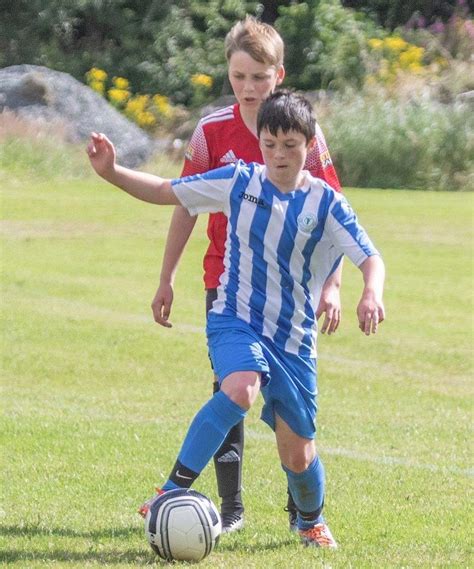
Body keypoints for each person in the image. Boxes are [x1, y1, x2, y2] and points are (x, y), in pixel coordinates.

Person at [86, 89, 386, 549]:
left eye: (290, 145)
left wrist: (370, 291)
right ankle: (171, 490)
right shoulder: (238, 182)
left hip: (293, 340)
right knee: (241, 386)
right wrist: (111, 173)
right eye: (270, 143)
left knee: (298, 453)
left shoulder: (327, 204)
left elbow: (370, 258)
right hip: (235, 319)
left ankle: (310, 521)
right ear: (259, 141)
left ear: (309, 144)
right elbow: (168, 191)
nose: (279, 155)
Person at [150, 16, 343, 533]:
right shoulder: (212, 131)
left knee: (291, 422)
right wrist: (166, 276)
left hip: (293, 292)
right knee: (232, 386)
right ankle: (229, 508)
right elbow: (184, 204)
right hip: (227, 280)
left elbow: (334, 211)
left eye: (259, 77)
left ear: (278, 75)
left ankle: (301, 510)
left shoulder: (302, 131)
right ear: (228, 75)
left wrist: (334, 284)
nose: (249, 88)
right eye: (239, 77)